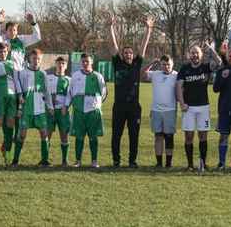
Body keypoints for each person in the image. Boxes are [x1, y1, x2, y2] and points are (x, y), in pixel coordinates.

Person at [0, 10, 43, 160]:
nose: (13, 32)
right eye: (10, 30)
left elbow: (37, 36)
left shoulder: (21, 40)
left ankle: (11, 140)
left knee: (18, 115)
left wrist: (33, 23)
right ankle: (7, 143)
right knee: (9, 116)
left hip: (22, 79)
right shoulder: (4, 42)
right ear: (6, 31)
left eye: (15, 29)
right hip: (8, 82)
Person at [108, 16, 153, 168]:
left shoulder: (136, 64)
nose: (128, 55)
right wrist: (110, 28)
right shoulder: (117, 64)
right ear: (122, 55)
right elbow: (113, 45)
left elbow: (143, 46)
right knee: (116, 135)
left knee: (134, 136)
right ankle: (116, 160)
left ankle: (132, 161)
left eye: (130, 53)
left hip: (134, 108)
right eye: (125, 53)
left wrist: (148, 28)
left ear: (133, 55)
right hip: (119, 107)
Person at [176, 41, 222, 172]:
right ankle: (190, 165)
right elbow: (179, 86)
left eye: (197, 53)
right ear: (189, 55)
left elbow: (219, 62)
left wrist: (211, 49)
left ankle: (203, 163)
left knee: (203, 136)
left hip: (203, 107)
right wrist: (182, 103)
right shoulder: (184, 69)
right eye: (192, 53)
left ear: (201, 55)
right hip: (188, 108)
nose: (195, 55)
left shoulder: (206, 67)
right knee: (189, 136)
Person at [13, 49, 53, 167]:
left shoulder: (43, 74)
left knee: (44, 133)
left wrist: (50, 106)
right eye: (34, 58)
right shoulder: (23, 72)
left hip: (40, 108)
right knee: (22, 134)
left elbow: (47, 92)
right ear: (29, 58)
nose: (36, 61)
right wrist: (19, 108)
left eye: (38, 59)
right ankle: (15, 160)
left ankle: (44, 160)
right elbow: (19, 92)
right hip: (27, 108)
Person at [66, 53, 107, 168]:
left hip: (93, 110)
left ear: (91, 62)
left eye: (87, 61)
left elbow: (104, 93)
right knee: (79, 136)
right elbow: (70, 92)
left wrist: (95, 104)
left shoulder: (98, 76)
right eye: (83, 61)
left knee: (93, 136)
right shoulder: (75, 75)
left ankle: (94, 161)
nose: (85, 64)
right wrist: (67, 105)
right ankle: (77, 161)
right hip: (79, 110)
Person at [143, 55, 179, 168]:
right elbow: (142, 74)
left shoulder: (176, 75)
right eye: (164, 64)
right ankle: (159, 163)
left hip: (170, 110)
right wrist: (151, 63)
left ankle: (168, 163)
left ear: (172, 64)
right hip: (156, 110)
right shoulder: (155, 74)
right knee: (158, 136)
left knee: (169, 137)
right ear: (160, 64)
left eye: (168, 64)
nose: (166, 66)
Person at [45, 57, 72, 167]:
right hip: (50, 110)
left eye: (63, 64)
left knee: (64, 135)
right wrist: (49, 105)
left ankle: (64, 160)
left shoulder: (69, 80)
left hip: (63, 111)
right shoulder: (48, 78)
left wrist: (66, 106)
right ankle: (45, 159)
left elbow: (71, 95)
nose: (60, 66)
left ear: (66, 66)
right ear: (55, 65)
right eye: (58, 63)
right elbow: (44, 93)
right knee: (47, 135)